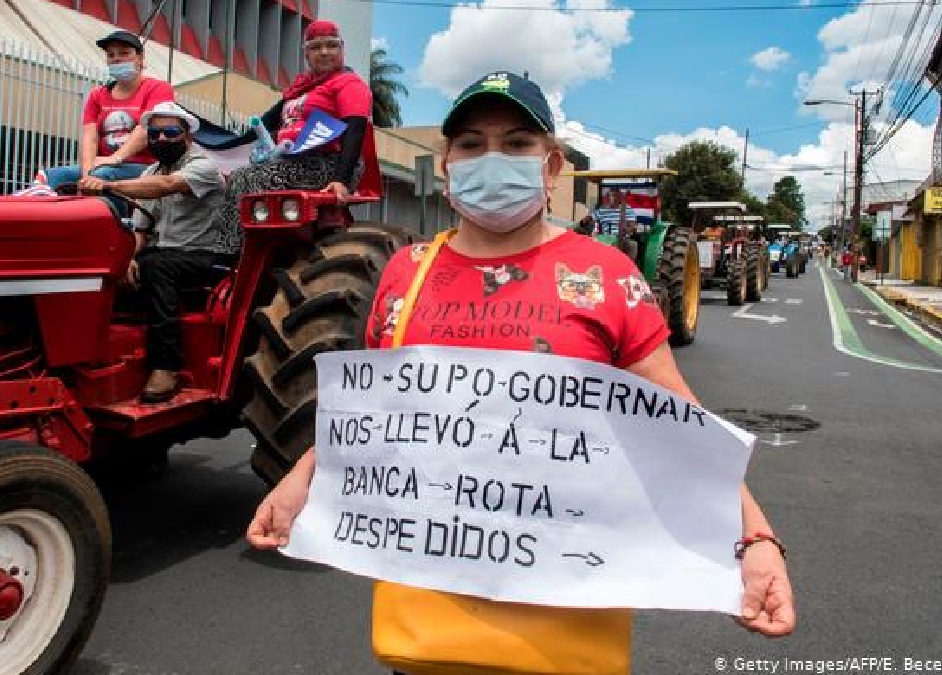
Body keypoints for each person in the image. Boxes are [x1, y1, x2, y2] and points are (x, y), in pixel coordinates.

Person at [246, 71, 795, 667]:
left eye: (516, 144)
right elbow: (375, 421)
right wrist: (299, 480)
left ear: (551, 167)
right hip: (424, 630)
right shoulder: (406, 272)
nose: (492, 159)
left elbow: (682, 425)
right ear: (449, 164)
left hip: (562, 633)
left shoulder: (606, 275)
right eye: (472, 144)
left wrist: (756, 538)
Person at [80, 101, 235, 403]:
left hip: (201, 255)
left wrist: (109, 185)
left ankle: (167, 366)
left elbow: (167, 185)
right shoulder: (150, 170)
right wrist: (127, 260)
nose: (162, 139)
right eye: (155, 133)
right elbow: (141, 231)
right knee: (112, 270)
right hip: (160, 254)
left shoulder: (203, 166)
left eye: (170, 132)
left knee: (157, 266)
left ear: (187, 136)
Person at [214, 19, 371, 238]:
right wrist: (218, 148)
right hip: (291, 160)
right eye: (316, 47)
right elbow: (263, 125)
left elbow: (355, 130)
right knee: (223, 178)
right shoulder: (300, 88)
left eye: (331, 45)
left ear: (342, 49)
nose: (324, 52)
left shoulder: (349, 84)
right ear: (306, 54)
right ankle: (220, 247)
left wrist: (341, 180)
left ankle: (230, 251)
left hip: (329, 162)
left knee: (246, 179)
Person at [40, 30, 175, 190]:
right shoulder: (97, 95)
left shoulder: (159, 89)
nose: (116, 58)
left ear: (140, 58)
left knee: (102, 176)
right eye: (110, 55)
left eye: (124, 53)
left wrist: (115, 158)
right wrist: (87, 172)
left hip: (143, 166)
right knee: (53, 176)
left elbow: (145, 130)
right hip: (102, 165)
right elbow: (90, 138)